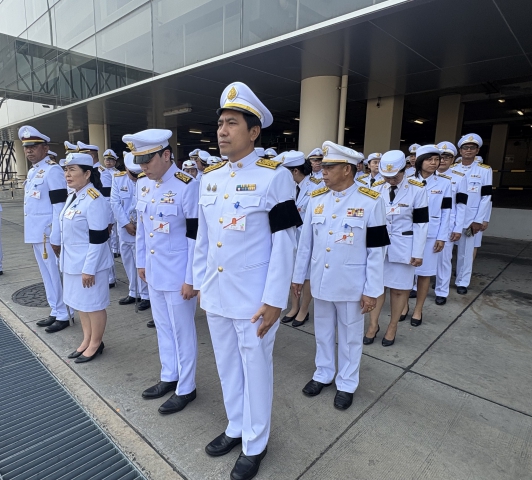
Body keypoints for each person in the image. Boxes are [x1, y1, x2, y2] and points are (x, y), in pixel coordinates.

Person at [193, 81, 301, 480]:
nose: (222, 131)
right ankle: (235, 426)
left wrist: (274, 300)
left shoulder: (275, 177)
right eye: (221, 123)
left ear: (254, 132)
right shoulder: (210, 177)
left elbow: (285, 243)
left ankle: (255, 443)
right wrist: (200, 284)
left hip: (255, 299)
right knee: (226, 366)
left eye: (232, 123)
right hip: (217, 294)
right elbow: (204, 240)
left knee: (255, 370)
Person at [292, 141, 389, 409]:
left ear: (347, 169)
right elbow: (306, 244)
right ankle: (323, 373)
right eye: (322, 166)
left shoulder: (371, 201)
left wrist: (372, 290)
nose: (322, 171)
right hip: (321, 281)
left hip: (351, 283)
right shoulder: (317, 198)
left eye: (329, 167)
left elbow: (377, 251)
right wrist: (298, 277)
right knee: (322, 331)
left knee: (349, 337)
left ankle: (346, 383)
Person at [125, 129, 200, 415]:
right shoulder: (143, 184)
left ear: (166, 155)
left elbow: (195, 237)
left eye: (148, 160)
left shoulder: (187, 185)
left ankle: (187, 387)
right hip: (154, 271)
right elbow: (143, 230)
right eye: (140, 161)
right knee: (163, 328)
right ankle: (169, 375)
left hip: (179, 274)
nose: (143, 167)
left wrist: (191, 279)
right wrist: (141, 262)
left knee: (183, 331)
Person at [363, 150, 429, 346]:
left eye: (395, 176)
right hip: (379, 246)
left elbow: (421, 224)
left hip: (404, 246)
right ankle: (373, 325)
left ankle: (392, 326)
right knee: (376, 288)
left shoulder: (417, 189)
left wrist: (418, 252)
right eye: (386, 176)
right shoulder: (376, 187)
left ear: (403, 170)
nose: (390, 180)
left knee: (399, 290)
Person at [60, 153, 113, 362]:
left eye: (72, 170)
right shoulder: (73, 196)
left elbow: (99, 239)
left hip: (90, 265)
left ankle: (96, 343)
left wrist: (89, 269)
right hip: (73, 263)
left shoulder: (94, 199)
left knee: (94, 305)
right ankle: (87, 340)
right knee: (81, 304)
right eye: (66, 170)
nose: (67, 174)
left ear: (87, 173)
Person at [19, 125, 70, 332]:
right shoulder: (33, 172)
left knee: (55, 274)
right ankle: (56, 310)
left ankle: (64, 314)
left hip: (48, 234)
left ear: (45, 148)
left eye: (33, 146)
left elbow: (59, 206)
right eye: (26, 147)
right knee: (46, 275)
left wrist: (56, 236)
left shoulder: (53, 170)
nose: (29, 150)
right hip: (36, 233)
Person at [405, 145, 451, 326]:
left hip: (431, 234)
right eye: (429, 159)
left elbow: (447, 211)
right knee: (406, 271)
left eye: (436, 159)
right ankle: (403, 306)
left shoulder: (445, 183)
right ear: (419, 161)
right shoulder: (407, 180)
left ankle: (418, 310)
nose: (434, 163)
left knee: (425, 274)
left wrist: (442, 237)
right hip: (408, 233)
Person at [110, 152, 150, 312]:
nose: (135, 177)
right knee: (127, 261)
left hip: (141, 229)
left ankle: (146, 295)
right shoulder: (118, 179)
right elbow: (115, 203)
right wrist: (126, 223)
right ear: (126, 168)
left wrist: (138, 225)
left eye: (137, 173)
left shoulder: (147, 179)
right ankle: (134, 291)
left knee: (141, 261)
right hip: (125, 228)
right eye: (132, 173)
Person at [453, 134, 492, 294]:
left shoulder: (484, 170)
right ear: (460, 151)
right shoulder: (452, 169)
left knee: (466, 252)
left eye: (472, 148)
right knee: (446, 252)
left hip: (471, 218)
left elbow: (486, 197)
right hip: (453, 217)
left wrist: (479, 219)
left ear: (477, 150)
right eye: (465, 148)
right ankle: (443, 279)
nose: (468, 150)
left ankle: (462, 282)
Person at [280, 150, 315, 328]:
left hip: (308, 238)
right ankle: (294, 307)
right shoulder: (290, 186)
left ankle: (304, 309)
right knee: (293, 272)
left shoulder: (315, 187)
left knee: (307, 275)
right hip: (292, 237)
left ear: (295, 171)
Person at [78, 141, 117, 288]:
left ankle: (110, 277)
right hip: (88, 214)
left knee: (104, 246)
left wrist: (109, 220)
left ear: (91, 155)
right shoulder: (87, 171)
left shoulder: (102, 172)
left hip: (101, 216)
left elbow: (107, 198)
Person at [434, 141, 468, 305]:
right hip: (427, 222)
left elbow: (461, 205)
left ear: (453, 159)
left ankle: (441, 291)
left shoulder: (459, 178)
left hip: (448, 223)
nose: (443, 160)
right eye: (440, 157)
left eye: (447, 157)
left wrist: (458, 227)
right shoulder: (425, 176)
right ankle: (415, 287)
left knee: (444, 259)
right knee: (420, 255)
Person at [104, 149, 121, 257]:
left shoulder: (117, 173)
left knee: (115, 226)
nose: (108, 162)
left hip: (113, 201)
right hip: (104, 202)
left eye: (111, 160)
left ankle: (115, 248)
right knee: (106, 224)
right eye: (106, 159)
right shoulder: (100, 171)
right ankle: (109, 247)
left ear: (115, 161)